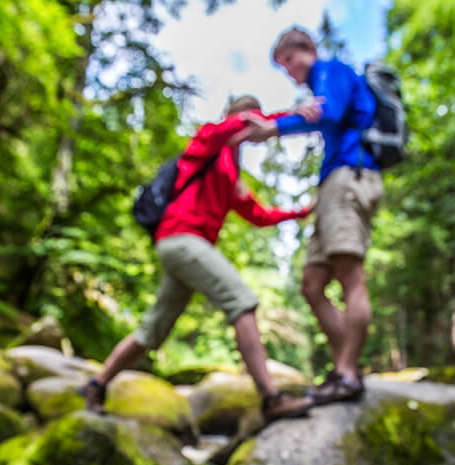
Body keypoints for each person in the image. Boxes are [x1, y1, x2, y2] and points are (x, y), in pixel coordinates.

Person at [82, 95, 315, 423]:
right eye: (246, 119)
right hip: (181, 240)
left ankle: (95, 384)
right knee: (242, 302)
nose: (251, 127)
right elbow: (235, 127)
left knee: (152, 332)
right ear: (233, 117)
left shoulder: (232, 174)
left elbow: (257, 214)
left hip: (185, 249)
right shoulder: (208, 142)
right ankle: (270, 398)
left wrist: (301, 212)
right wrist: (286, 118)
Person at [241, 26, 384, 405]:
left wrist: (274, 126)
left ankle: (348, 375)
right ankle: (344, 368)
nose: (288, 71)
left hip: (350, 177)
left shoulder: (330, 70)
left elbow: (329, 112)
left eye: (288, 61)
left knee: (350, 277)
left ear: (306, 49)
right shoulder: (321, 79)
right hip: (332, 185)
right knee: (311, 284)